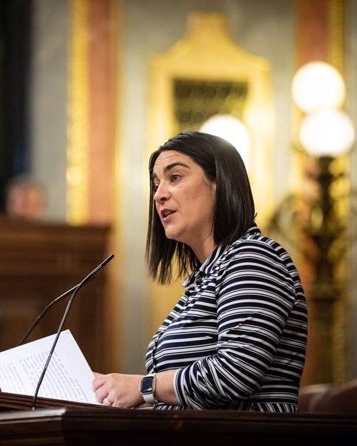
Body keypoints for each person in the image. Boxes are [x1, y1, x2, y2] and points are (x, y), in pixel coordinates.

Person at [93, 131, 308, 412]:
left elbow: (236, 372)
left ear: (219, 183)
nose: (158, 195)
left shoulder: (254, 258)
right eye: (156, 184)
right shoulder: (206, 278)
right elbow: (187, 403)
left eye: (175, 177)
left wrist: (143, 387)